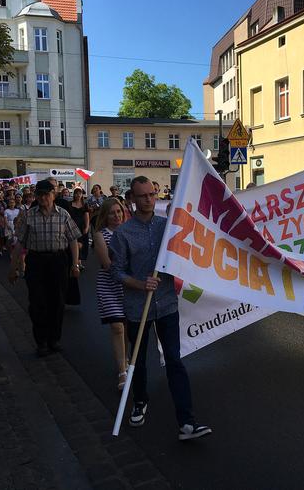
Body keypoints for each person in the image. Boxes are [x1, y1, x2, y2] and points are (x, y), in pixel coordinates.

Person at [109, 176, 212, 440]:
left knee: (175, 361)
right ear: (131, 199)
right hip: (137, 308)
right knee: (139, 361)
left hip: (166, 305)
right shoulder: (122, 234)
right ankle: (140, 401)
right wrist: (140, 283)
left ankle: (186, 422)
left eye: (152, 195)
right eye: (143, 196)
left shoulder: (168, 228)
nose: (149, 200)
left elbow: (183, 256)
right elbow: (117, 273)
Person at [8, 180, 82, 357]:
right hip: (36, 261)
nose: (42, 198)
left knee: (57, 302)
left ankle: (54, 339)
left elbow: (73, 240)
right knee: (37, 303)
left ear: (53, 195)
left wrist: (75, 264)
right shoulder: (29, 215)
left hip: (58, 260)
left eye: (46, 194)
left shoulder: (63, 214)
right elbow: (20, 244)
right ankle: (41, 341)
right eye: (39, 194)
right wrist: (13, 268)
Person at [93, 198, 128, 390]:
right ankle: (122, 371)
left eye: (119, 212)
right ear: (105, 215)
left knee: (127, 326)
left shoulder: (129, 231)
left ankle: (126, 358)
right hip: (109, 283)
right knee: (117, 326)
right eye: (112, 213)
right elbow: (107, 264)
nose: (117, 216)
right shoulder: (101, 235)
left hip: (128, 285)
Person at [69, 188, 90, 262]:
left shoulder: (85, 204)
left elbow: (86, 216)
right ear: (74, 194)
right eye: (76, 193)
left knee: (82, 244)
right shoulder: (70, 204)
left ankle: (79, 260)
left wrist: (87, 227)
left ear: (82, 195)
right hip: (72, 226)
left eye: (79, 193)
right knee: (74, 243)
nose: (78, 195)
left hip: (82, 226)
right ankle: (75, 260)